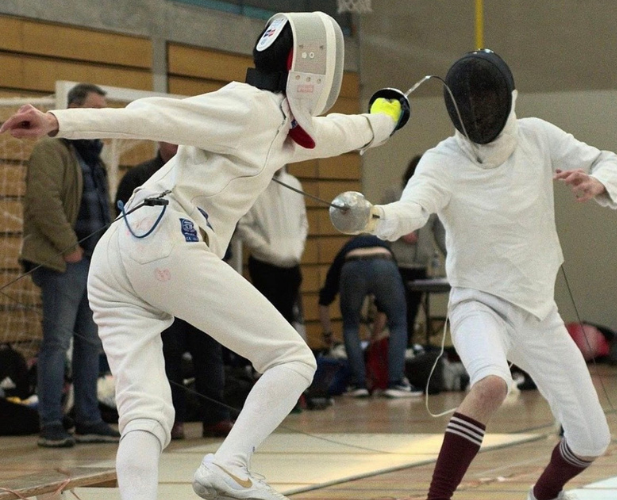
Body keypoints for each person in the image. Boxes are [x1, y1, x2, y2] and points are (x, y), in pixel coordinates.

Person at [0, 11, 405, 500]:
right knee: (292, 358)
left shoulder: (285, 126)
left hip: (117, 256)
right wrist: (58, 121)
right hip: (168, 243)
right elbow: (154, 115)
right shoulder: (249, 107)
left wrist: (387, 117)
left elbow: (345, 130)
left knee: (147, 413)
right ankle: (231, 464)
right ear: (309, 73)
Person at [330, 49, 617, 500]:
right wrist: (371, 217)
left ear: (508, 98)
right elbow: (410, 211)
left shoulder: (537, 137)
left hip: (538, 313)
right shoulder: (442, 160)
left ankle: (543, 496)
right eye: (472, 103)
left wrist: (600, 181)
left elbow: (609, 158)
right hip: (479, 304)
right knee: (491, 382)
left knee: (592, 440)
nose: (481, 111)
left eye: (488, 100)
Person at [20, 83, 120, 448]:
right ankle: (51, 422)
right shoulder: (51, 148)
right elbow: (44, 202)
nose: (99, 116)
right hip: (65, 262)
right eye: (94, 108)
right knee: (56, 342)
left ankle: (89, 419)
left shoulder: (95, 155)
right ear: (74, 109)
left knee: (90, 343)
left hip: (94, 263)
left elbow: (103, 209)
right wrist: (68, 248)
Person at [115, 142, 233, 441]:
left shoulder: (202, 175)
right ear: (159, 140)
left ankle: (216, 416)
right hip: (158, 276)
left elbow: (221, 220)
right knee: (169, 349)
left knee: (208, 347)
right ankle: (174, 418)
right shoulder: (139, 177)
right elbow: (122, 225)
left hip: (200, 274)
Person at [318, 234, 422, 398]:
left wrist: (328, 333)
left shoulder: (346, 250)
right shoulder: (382, 245)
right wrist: (374, 337)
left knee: (350, 325)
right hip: (384, 263)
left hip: (351, 265)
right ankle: (396, 383)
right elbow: (384, 309)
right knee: (398, 323)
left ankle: (357, 384)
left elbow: (324, 300)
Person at [381, 154, 445, 347]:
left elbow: (440, 233)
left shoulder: (433, 200)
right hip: (397, 264)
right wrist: (400, 233)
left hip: (420, 266)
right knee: (397, 312)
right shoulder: (394, 192)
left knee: (413, 311)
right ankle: (397, 354)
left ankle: (407, 349)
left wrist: (453, 256)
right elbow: (380, 221)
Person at [235, 166, 308, 325]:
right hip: (264, 266)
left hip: (292, 264)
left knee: (288, 322)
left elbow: (303, 222)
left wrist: (296, 249)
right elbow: (243, 226)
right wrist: (270, 251)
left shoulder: (294, 183)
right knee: (268, 322)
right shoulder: (253, 184)